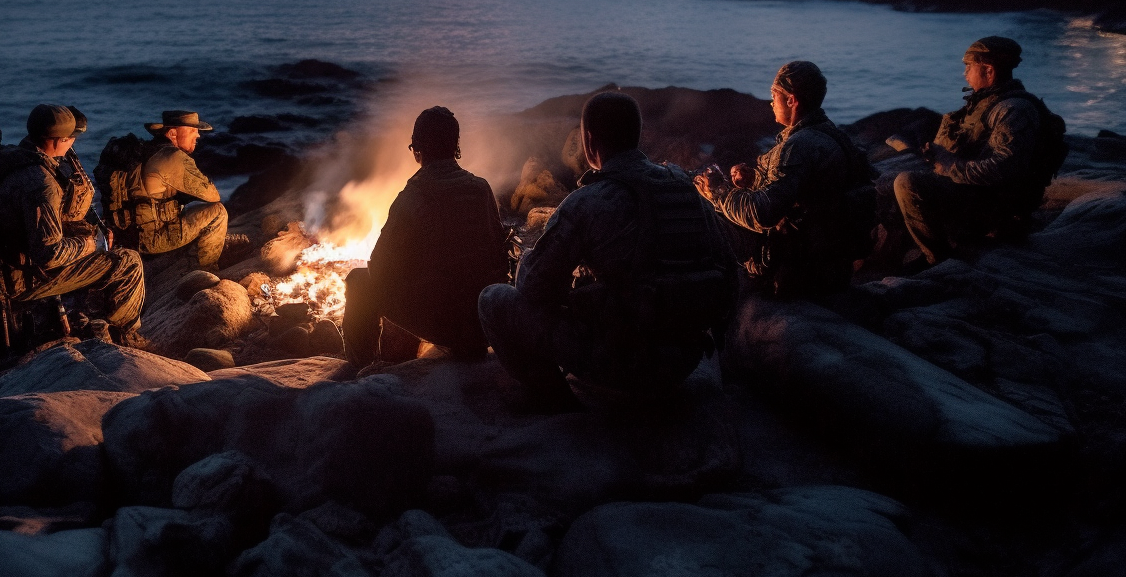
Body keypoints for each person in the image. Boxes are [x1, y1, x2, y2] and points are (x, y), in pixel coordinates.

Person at [478, 92, 735, 410]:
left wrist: (531, 255)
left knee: (493, 299)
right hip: (683, 363)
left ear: (588, 140)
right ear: (638, 135)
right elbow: (727, 265)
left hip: (621, 365)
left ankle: (556, 402)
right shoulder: (685, 188)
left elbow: (531, 287)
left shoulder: (588, 200)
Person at [341, 107, 509, 368]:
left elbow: (379, 265)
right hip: (481, 318)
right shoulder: (481, 188)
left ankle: (360, 368)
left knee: (359, 281)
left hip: (445, 322)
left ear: (417, 149)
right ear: (456, 146)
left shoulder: (413, 195)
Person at [694, 61, 864, 297]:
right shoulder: (831, 136)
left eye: (775, 95)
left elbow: (763, 214)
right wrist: (755, 180)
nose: (771, 103)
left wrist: (719, 193)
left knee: (703, 216)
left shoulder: (798, 146)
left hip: (797, 273)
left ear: (792, 100)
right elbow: (805, 195)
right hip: (830, 266)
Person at [0, 104, 146, 347]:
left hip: (0, 270)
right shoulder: (41, 185)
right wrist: (90, 244)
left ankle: (86, 319)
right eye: (71, 138)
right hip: (25, 281)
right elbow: (49, 255)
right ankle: (124, 337)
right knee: (129, 262)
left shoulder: (15, 158)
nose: (73, 144)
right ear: (57, 141)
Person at [893, 36, 1049, 265]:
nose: (965, 74)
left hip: (996, 209)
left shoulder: (1013, 109)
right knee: (886, 182)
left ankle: (939, 261)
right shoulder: (985, 103)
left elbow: (1004, 169)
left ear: (988, 71)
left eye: (969, 67)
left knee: (906, 182)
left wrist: (948, 164)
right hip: (975, 196)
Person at [138, 110, 229, 272]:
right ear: (173, 133)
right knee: (218, 212)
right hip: (152, 240)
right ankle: (207, 271)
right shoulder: (172, 156)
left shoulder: (147, 150)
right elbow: (213, 195)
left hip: (131, 234)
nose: (198, 135)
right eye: (192, 130)